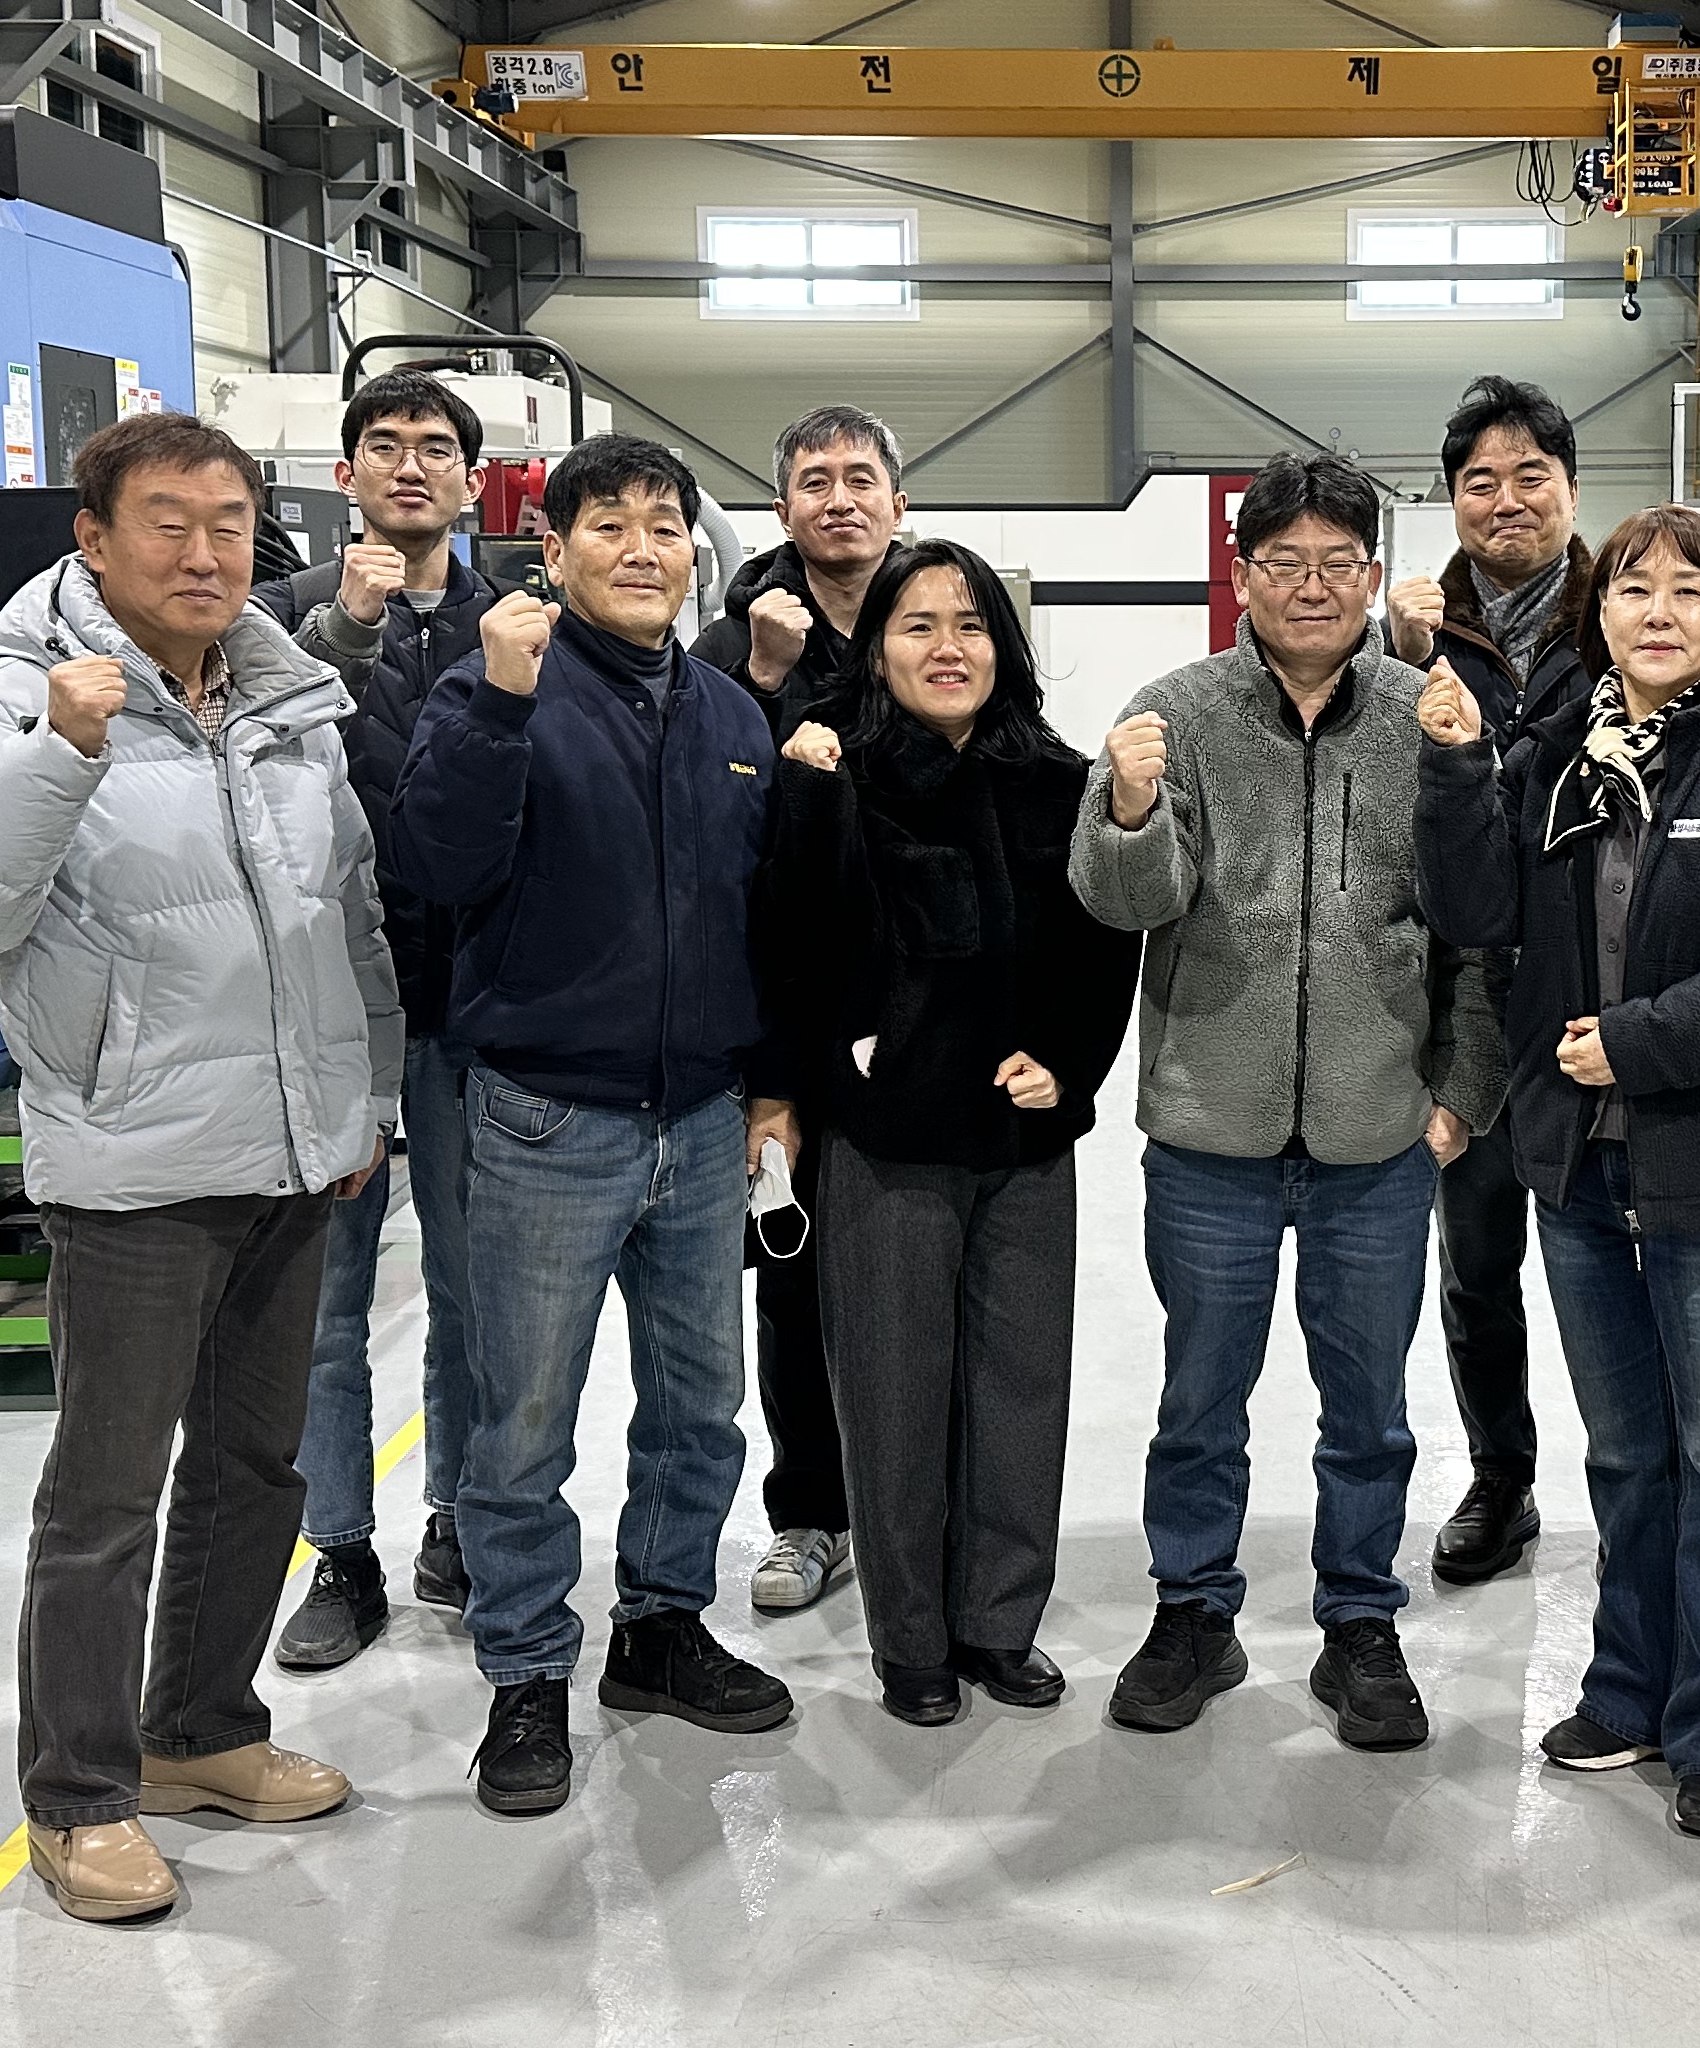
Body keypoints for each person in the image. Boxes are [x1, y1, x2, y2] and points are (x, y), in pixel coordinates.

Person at [0, 412, 397, 1924]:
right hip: (131, 1170)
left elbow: (348, 913)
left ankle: (200, 1732)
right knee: (106, 1498)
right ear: (93, 540)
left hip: (293, 1151)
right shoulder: (18, 698)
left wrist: (365, 1099)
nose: (204, 552)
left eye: (229, 524)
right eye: (168, 522)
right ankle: (80, 1797)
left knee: (256, 1471)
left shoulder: (285, 696)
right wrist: (61, 753)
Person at [1416, 505, 1700, 1840]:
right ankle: (1634, 1689)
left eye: (1687, 591)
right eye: (1631, 590)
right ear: (1596, 615)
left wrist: (1642, 1041)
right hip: (1577, 1169)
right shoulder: (1555, 760)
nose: (1657, 613)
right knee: (1626, 1453)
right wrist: (1457, 770)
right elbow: (1476, 913)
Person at [1070, 451, 1505, 1752]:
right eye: (1284, 563)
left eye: (1337, 564)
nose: (1312, 587)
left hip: (1380, 1134)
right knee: (1199, 1400)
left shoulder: (1425, 713)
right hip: (1211, 1132)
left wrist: (1458, 1094)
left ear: (1373, 576)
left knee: (1368, 1411)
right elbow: (1123, 904)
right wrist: (1130, 806)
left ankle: (1360, 1622)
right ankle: (1192, 1612)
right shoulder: (1175, 714)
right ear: (1243, 573)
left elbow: (1476, 927)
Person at [394, 432, 801, 1820]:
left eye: (665, 525)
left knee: (699, 1407)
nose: (642, 548)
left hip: (699, 1121)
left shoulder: (731, 714)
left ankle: (661, 1627)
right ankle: (523, 1672)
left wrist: (764, 1091)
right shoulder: (493, 688)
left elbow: (755, 921)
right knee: (520, 1420)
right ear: (553, 551)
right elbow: (437, 863)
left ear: (695, 553)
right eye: (609, 525)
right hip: (544, 1120)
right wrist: (503, 708)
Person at [754, 542, 1140, 1724]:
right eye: (916, 625)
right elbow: (791, 948)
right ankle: (912, 1640)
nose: (947, 648)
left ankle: (999, 1624)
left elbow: (1104, 943)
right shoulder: (836, 769)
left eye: (969, 624)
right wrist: (785, 1101)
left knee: (1021, 1391)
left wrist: (1067, 1064)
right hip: (887, 1140)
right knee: (893, 1397)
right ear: (876, 650)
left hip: (1023, 1145)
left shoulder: (1059, 780)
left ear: (1003, 647)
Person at [272, 366, 495, 1670]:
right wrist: (342, 627)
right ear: (345, 473)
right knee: (325, 1301)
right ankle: (339, 1553)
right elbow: (245, 751)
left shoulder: (517, 618)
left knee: (471, 1286)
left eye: (436, 447)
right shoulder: (281, 617)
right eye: (387, 444)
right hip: (327, 1002)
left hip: (472, 997)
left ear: (472, 477)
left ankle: (458, 1520)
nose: (412, 465)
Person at [693, 403, 907, 1620]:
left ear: (897, 501)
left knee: (922, 1270)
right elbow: (701, 807)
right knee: (793, 1271)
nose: (839, 498)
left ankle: (918, 1503)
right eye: (814, 480)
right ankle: (810, 1515)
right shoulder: (734, 642)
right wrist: (762, 679)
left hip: (914, 1004)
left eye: (859, 477)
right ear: (782, 510)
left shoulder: (937, 612)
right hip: (781, 1002)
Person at [1379, 374, 1592, 1588]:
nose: (1506, 501)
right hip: (1465, 1004)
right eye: (1479, 483)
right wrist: (1401, 660)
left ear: (1571, 488)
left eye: (1530, 477)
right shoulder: (1418, 636)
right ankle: (1502, 1478)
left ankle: (1644, 1484)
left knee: (1616, 1264)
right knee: (1477, 1269)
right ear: (1451, 501)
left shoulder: (1623, 616)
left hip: (1598, 993)